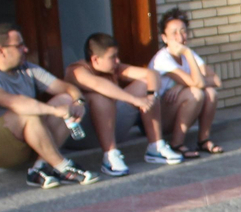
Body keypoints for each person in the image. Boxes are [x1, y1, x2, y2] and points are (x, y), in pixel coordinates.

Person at [0, 23, 99, 187]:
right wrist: (54, 111)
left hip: (27, 139)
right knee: (27, 113)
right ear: (1, 51)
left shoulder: (27, 69)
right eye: (19, 46)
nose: (25, 49)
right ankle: (62, 167)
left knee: (65, 100)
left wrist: (78, 102)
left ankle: (39, 168)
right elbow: (14, 102)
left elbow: (67, 88)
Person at [65, 33, 185, 175]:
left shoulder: (113, 68)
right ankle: (109, 156)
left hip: (111, 126)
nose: (118, 61)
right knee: (99, 97)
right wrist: (135, 100)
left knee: (145, 85)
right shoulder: (76, 70)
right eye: (112, 57)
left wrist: (151, 97)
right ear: (95, 59)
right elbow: (99, 85)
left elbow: (152, 74)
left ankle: (156, 147)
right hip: (81, 136)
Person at [151, 9, 222, 157]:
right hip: (157, 119)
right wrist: (188, 54)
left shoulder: (187, 54)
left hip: (175, 111)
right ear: (164, 38)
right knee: (195, 93)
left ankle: (203, 140)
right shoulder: (163, 59)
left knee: (210, 93)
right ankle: (176, 144)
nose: (180, 37)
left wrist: (182, 85)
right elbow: (198, 84)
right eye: (174, 33)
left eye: (183, 32)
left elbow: (216, 80)